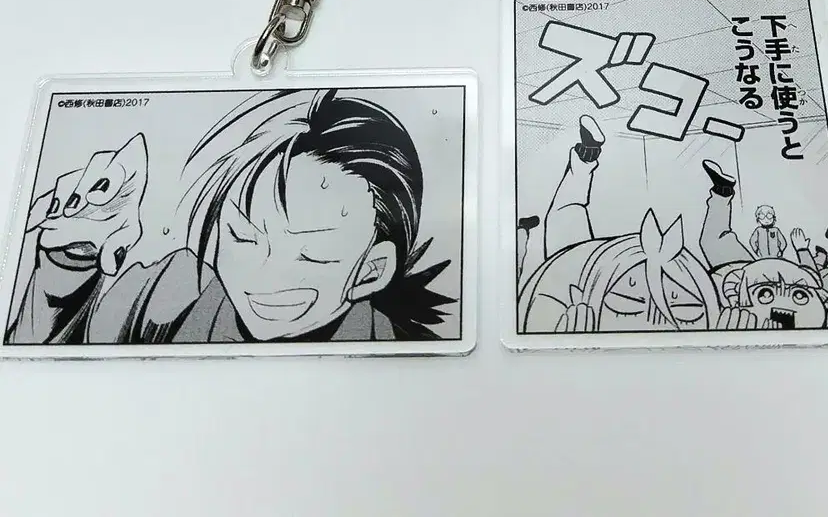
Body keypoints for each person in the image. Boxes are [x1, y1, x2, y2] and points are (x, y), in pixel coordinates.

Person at [6, 90, 454, 345]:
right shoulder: (171, 293)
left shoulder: (402, 357)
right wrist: (71, 259)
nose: (261, 274)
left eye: (311, 254)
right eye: (243, 236)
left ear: (372, 270)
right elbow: (48, 357)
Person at [517, 116, 721, 333]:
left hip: (581, 267)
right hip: (591, 262)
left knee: (568, 213)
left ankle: (587, 153)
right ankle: (587, 153)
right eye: (625, 305)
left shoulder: (567, 290)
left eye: (687, 312)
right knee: (568, 213)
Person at [700, 160, 828, 329]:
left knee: (716, 238)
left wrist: (802, 250)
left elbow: (810, 275)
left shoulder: (744, 316)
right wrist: (802, 250)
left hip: (741, 270)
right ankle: (722, 191)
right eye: (800, 296)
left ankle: (722, 190)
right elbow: (811, 275)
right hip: (746, 270)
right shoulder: (809, 312)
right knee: (715, 239)